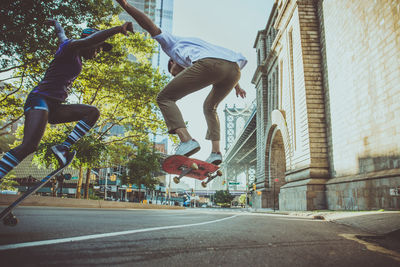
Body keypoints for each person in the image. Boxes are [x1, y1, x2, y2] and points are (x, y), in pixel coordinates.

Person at [116, 0, 247, 165]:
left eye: (174, 73)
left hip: (211, 65)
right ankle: (216, 152)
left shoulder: (171, 44)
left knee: (164, 97)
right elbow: (223, 65)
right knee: (209, 107)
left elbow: (149, 26)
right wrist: (237, 86)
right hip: (234, 70)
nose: (176, 76)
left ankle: (186, 141)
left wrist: (125, 5)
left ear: (172, 62)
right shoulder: (195, 48)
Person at [0, 19, 134, 181]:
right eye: (98, 48)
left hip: (54, 107)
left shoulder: (67, 46)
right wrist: (119, 29)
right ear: (89, 42)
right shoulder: (70, 47)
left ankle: (63, 148)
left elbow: (60, 33)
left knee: (92, 113)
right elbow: (86, 40)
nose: (98, 53)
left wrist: (56, 23)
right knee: (29, 146)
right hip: (39, 100)